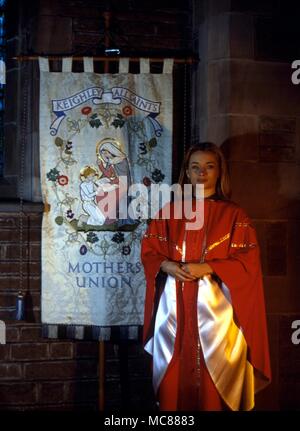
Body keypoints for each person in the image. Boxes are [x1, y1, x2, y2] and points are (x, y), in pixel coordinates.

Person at [141, 142, 271, 411]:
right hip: (174, 308)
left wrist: (209, 267)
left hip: (217, 314)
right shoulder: (169, 213)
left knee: (214, 381)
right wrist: (166, 265)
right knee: (172, 379)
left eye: (209, 166)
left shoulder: (235, 215)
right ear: (187, 173)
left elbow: (248, 260)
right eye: (196, 167)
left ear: (219, 171)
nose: (202, 173)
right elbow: (150, 251)